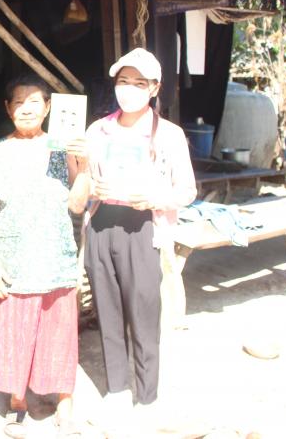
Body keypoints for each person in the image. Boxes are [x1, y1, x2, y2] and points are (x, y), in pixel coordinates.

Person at [84, 49, 196, 428]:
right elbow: (82, 182)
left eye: (138, 83)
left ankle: (147, 397)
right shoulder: (98, 130)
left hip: (144, 226)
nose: (129, 90)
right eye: (123, 82)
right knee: (108, 311)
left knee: (144, 314)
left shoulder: (169, 135)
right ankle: (117, 390)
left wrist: (154, 198)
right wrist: (92, 186)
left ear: (154, 88)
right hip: (102, 225)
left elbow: (187, 190)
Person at [0, 74, 90, 439]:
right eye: (18, 102)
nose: (26, 108)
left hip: (55, 256)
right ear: (7, 108)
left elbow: (77, 204)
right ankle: (18, 403)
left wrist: (84, 165)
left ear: (48, 107)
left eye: (34, 102)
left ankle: (64, 406)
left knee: (60, 334)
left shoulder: (62, 147)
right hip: (13, 259)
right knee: (14, 332)